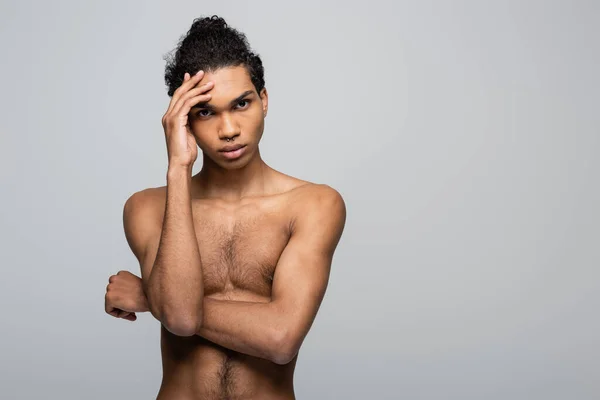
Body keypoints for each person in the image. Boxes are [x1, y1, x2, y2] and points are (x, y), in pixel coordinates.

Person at [103, 15, 346, 400]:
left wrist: (152, 298)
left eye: (242, 104)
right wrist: (178, 167)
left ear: (263, 101)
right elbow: (179, 320)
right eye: (206, 112)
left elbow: (281, 338)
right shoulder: (147, 208)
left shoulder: (313, 205)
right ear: (182, 121)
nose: (229, 128)